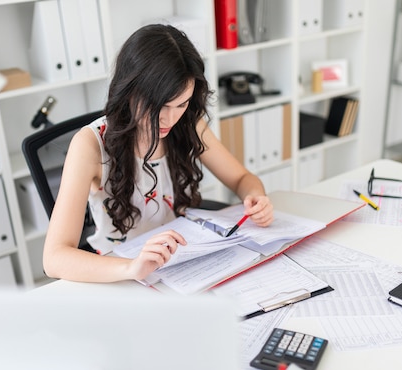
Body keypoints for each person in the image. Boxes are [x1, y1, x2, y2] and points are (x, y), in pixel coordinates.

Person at [43, 24, 274, 283]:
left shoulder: (186, 123)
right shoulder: (90, 144)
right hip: (118, 273)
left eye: (181, 104)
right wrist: (132, 268)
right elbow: (54, 258)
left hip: (176, 264)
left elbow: (242, 179)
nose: (171, 118)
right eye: (160, 106)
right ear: (130, 90)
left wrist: (255, 197)